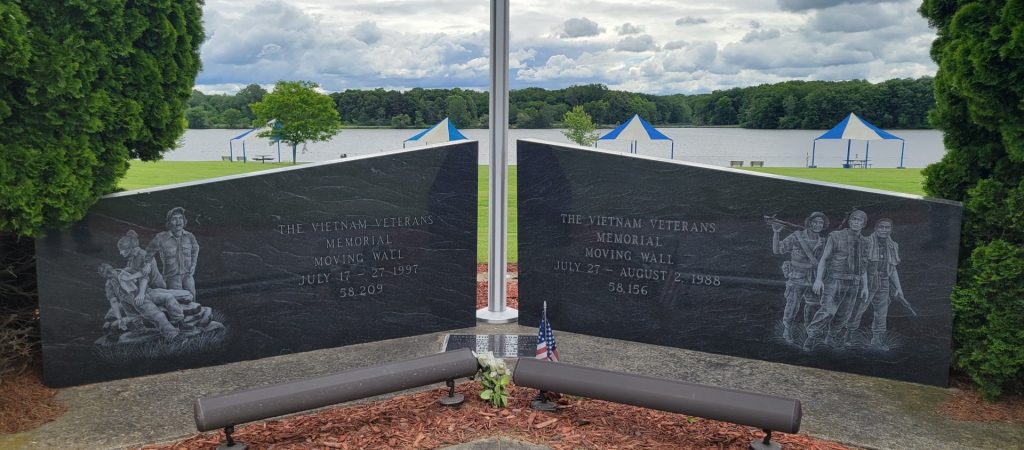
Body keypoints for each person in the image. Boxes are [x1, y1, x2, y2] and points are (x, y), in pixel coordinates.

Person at [803, 210, 869, 350]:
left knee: (844, 315)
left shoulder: (865, 242)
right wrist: (818, 279)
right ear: (849, 221)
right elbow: (824, 258)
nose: (855, 222)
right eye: (853, 219)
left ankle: (830, 337)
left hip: (854, 283)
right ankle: (811, 338)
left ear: (864, 224)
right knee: (827, 311)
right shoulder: (836, 236)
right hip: (835, 280)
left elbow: (863, 266)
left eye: (859, 220)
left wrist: (865, 287)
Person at [770, 212, 829, 343]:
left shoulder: (823, 241)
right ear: (809, 222)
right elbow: (777, 250)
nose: (818, 225)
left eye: (821, 223)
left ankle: (809, 332)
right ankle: (787, 330)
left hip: (814, 278)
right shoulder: (796, 236)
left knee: (813, 305)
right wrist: (776, 233)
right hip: (797, 276)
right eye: (815, 222)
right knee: (792, 305)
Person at [850, 218, 904, 350]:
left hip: (884, 281)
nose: (884, 230)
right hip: (867, 280)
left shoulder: (893, 245)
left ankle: (877, 340)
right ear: (875, 228)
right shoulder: (866, 242)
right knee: (858, 309)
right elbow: (862, 266)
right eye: (881, 227)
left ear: (891, 230)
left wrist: (899, 288)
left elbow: (892, 269)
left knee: (881, 312)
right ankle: (847, 336)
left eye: (887, 227)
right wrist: (865, 286)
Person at [97, 263, 186, 340]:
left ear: (112, 268)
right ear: (104, 276)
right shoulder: (109, 285)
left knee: (169, 297)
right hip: (136, 301)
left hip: (147, 292)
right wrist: (119, 319)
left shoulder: (128, 270)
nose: (110, 274)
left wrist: (142, 293)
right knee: (158, 315)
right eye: (106, 275)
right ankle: (174, 336)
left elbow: (144, 276)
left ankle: (180, 322)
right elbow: (113, 301)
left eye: (109, 271)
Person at [147, 207, 199, 298]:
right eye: (174, 219)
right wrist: (148, 265)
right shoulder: (161, 238)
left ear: (184, 220)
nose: (178, 221)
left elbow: (195, 249)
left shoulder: (190, 236)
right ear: (169, 222)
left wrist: (193, 264)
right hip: (171, 278)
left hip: (188, 276)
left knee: (193, 301)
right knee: (178, 302)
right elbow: (149, 252)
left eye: (180, 218)